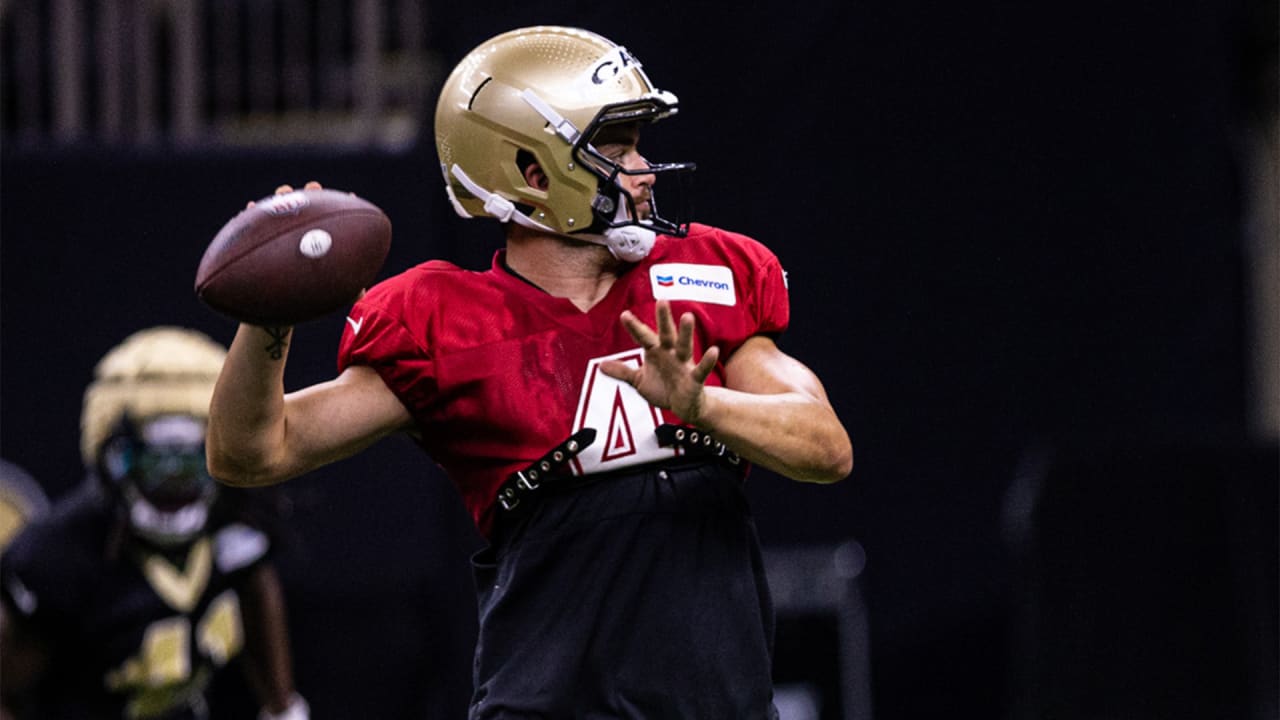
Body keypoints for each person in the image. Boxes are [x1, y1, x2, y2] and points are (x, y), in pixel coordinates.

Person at [206, 25, 852, 719]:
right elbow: (254, 452)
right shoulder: (447, 320)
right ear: (534, 173)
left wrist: (705, 407)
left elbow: (827, 449)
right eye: (617, 148)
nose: (642, 170)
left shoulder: (704, 274)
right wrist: (268, 319)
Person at [0, 327, 309, 720]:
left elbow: (255, 580)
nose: (175, 484)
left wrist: (282, 706)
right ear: (114, 461)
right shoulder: (56, 557)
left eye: (192, 465)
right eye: (158, 465)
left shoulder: (238, 513)